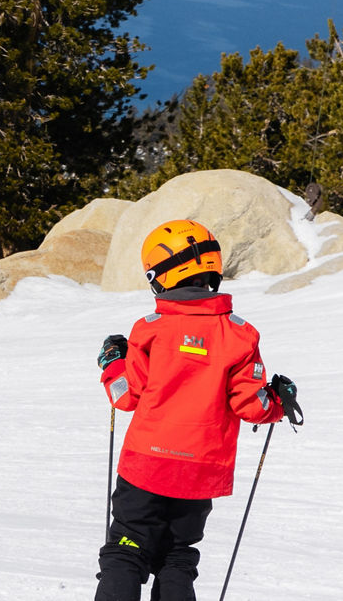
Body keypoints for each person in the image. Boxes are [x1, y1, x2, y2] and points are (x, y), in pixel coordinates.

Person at [94, 219, 303, 601]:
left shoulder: (151, 329)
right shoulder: (240, 334)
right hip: (200, 471)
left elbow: (126, 396)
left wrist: (112, 363)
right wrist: (278, 401)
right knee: (177, 557)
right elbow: (251, 404)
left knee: (126, 551)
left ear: (161, 276)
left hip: (145, 466)